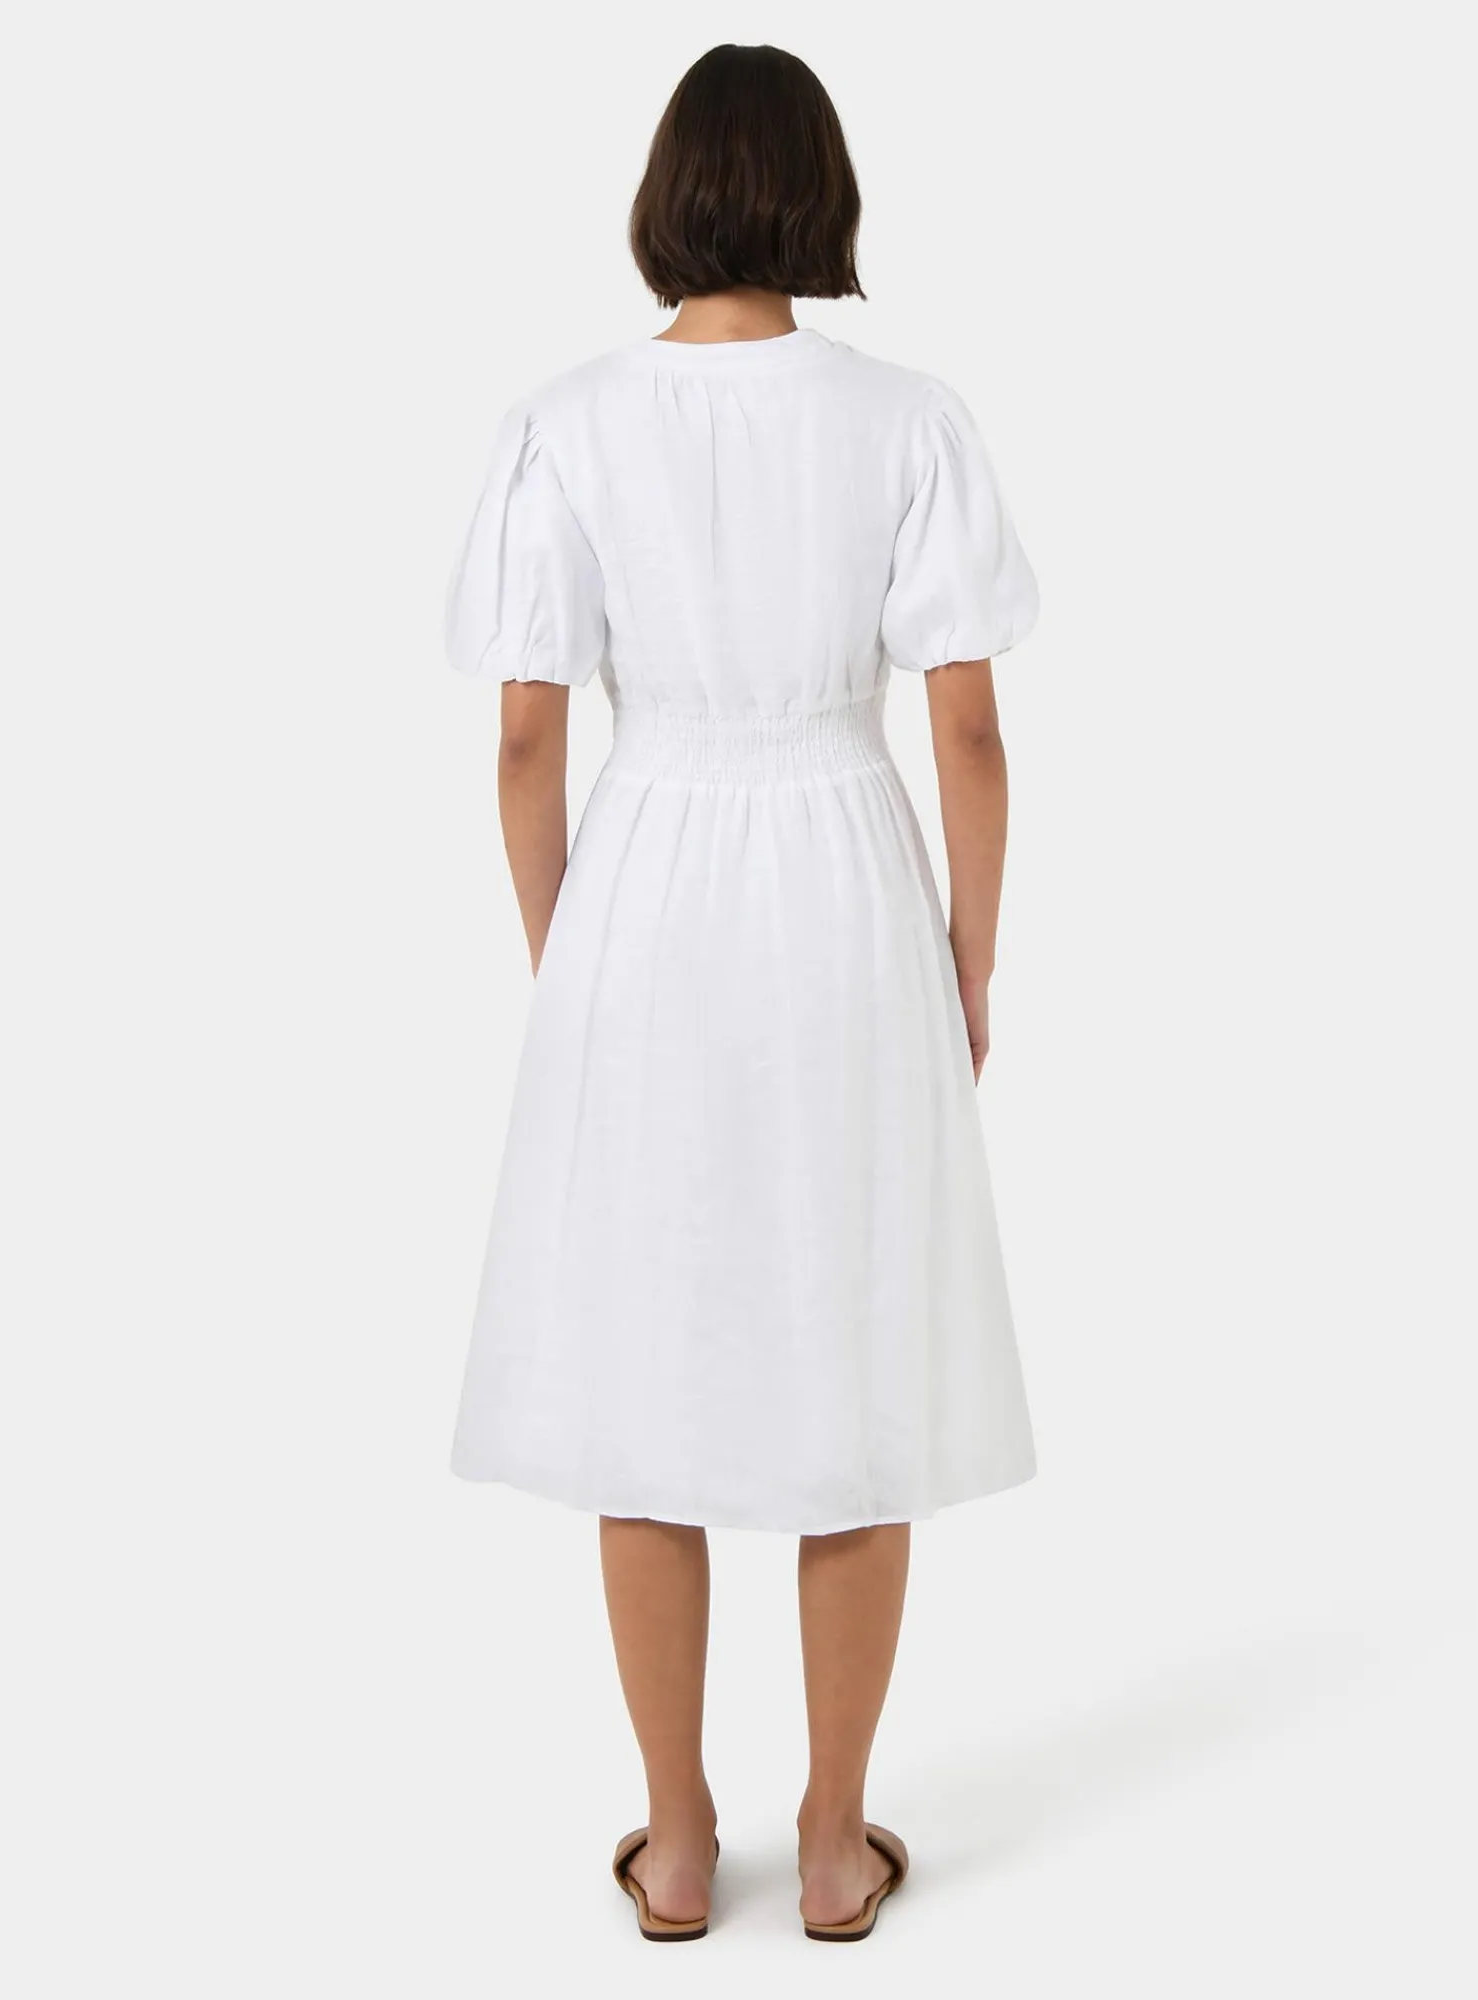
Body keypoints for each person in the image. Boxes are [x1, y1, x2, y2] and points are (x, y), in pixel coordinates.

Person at [445, 42, 1040, 1944]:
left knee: (649, 1370)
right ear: (823, 195)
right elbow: (970, 732)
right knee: (855, 1359)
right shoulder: (907, 420)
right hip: (846, 885)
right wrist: (969, 954)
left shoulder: (564, 422)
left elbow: (526, 740)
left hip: (645, 889)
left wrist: (569, 953)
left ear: (667, 199)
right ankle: (840, 1840)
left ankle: (681, 1839)